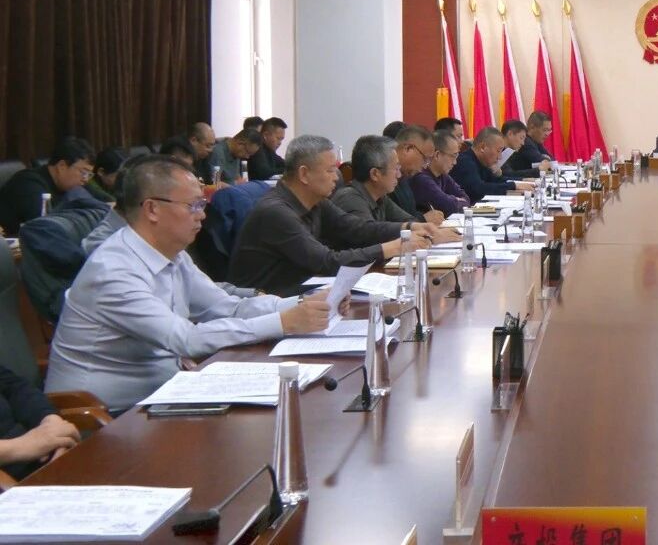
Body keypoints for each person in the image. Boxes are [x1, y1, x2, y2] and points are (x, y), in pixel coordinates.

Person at [45, 156, 335, 411]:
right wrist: (284, 322)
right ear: (152, 209)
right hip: (103, 416)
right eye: (193, 205)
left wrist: (302, 304)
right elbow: (186, 339)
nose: (203, 215)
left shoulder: (173, 255)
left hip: (162, 395)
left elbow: (228, 308)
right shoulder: (113, 271)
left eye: (202, 204)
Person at [226, 135, 443, 296]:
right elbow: (325, 261)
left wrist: (408, 227)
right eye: (330, 170)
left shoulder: (317, 201)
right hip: (266, 304)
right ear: (304, 174)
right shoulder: (276, 212)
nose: (336, 177)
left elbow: (355, 227)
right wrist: (392, 247)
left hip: (302, 294)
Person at [0, 137, 94, 234]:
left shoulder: (72, 185)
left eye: (89, 174)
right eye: (83, 172)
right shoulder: (29, 184)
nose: (86, 179)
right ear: (62, 166)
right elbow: (45, 227)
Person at [0, 366, 80, 480]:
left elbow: (14, 386)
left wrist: (50, 420)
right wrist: (18, 446)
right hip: (10, 474)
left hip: (39, 452)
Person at [331, 135, 423, 224]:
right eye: (395, 169)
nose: (399, 175)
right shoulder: (351, 200)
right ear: (375, 174)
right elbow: (371, 233)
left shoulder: (380, 197)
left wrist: (415, 227)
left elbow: (409, 221)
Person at [452, 127, 536, 204]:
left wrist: (523, 181)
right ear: (483, 147)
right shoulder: (465, 162)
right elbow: (479, 189)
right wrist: (514, 185)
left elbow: (496, 180)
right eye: (498, 151)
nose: (500, 157)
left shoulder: (481, 161)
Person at [411, 131, 471, 216]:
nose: (455, 162)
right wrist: (455, 199)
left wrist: (450, 199)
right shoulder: (421, 178)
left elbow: (466, 199)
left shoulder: (443, 174)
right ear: (437, 155)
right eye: (453, 156)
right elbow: (449, 207)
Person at [389, 125, 440, 222]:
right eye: (425, 159)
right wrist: (423, 219)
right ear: (408, 149)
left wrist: (426, 215)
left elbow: (409, 213)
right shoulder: (386, 177)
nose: (425, 166)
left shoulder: (404, 177)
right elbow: (388, 222)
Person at [248, 117, 287, 181]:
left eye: (281, 139)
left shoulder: (269, 150)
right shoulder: (256, 147)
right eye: (278, 138)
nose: (280, 143)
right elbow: (265, 173)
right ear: (265, 135)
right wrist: (288, 170)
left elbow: (286, 164)